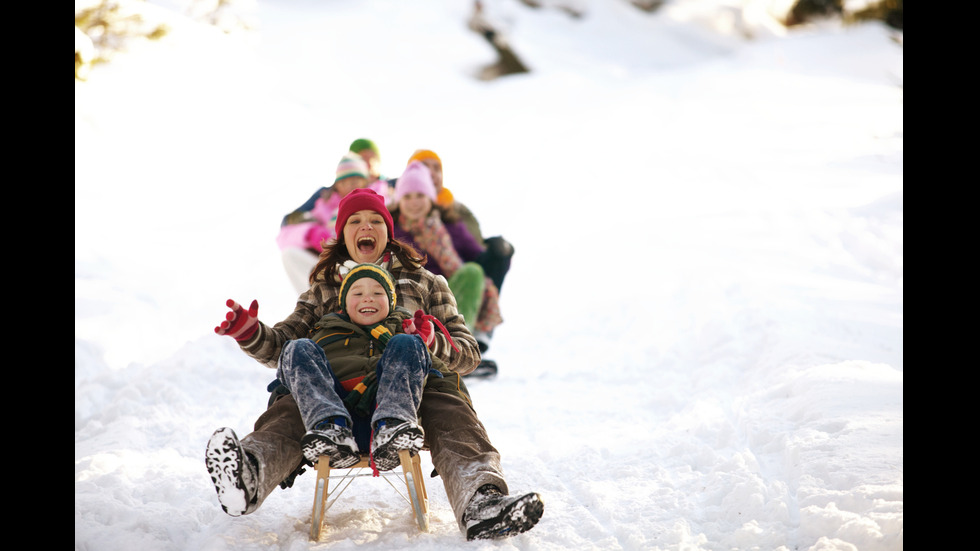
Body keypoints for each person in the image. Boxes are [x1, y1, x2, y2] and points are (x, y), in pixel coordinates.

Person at [206, 188, 543, 540]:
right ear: (342, 234)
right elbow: (285, 350)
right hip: (333, 397)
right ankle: (249, 474)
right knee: (290, 409)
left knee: (452, 412)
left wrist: (432, 341)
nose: (365, 226)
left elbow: (468, 354)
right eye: (355, 220)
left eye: (375, 220)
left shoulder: (427, 282)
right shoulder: (323, 289)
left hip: (415, 393)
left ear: (388, 231)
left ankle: (482, 501)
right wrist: (250, 333)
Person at [388, 160, 502, 353]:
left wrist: (500, 255)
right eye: (407, 197)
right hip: (409, 298)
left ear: (431, 198)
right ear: (399, 200)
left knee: (473, 272)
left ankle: (459, 348)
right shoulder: (391, 229)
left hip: (447, 298)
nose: (414, 202)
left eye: (420, 195)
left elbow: (479, 258)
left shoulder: (450, 226)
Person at [276, 151, 389, 294]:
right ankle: (314, 302)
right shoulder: (325, 205)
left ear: (365, 181)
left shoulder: (380, 197)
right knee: (289, 254)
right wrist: (311, 233)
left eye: (354, 181)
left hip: (367, 259)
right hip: (334, 263)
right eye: (343, 182)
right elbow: (285, 233)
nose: (349, 186)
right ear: (336, 185)